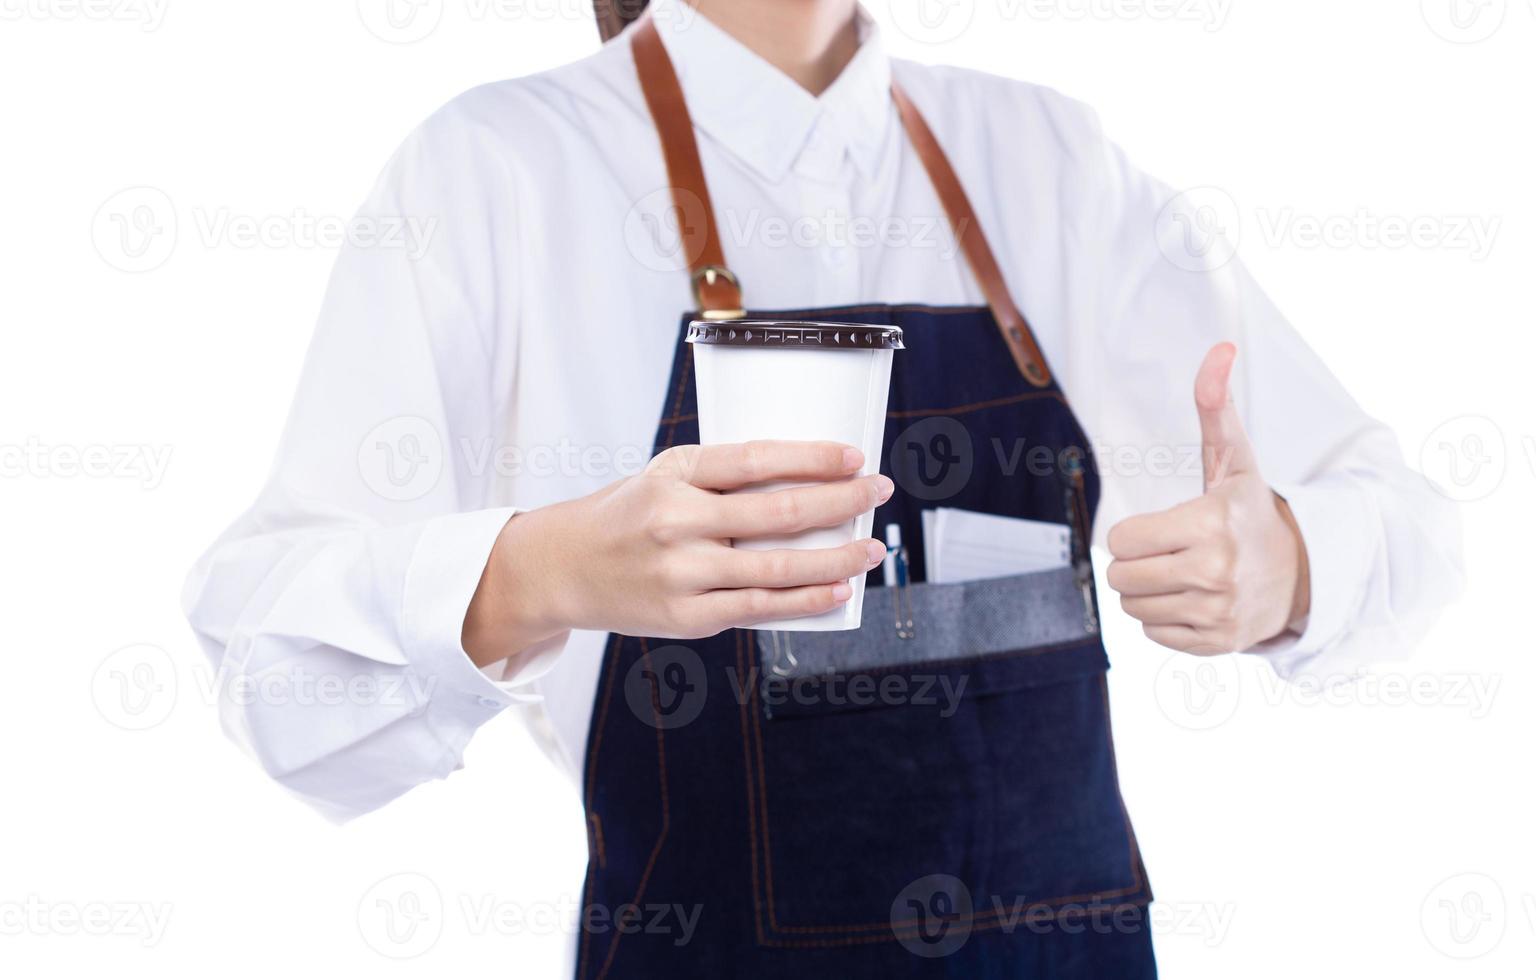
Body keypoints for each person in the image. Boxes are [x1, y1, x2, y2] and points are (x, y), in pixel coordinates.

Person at [183, 0, 1463, 975]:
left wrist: (1288, 558)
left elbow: (1398, 515)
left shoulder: (1046, 157)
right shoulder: (498, 169)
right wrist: (541, 571)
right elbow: (271, 673)